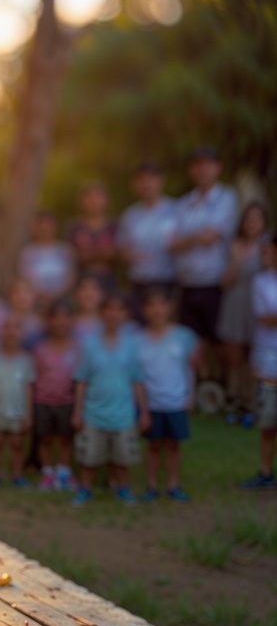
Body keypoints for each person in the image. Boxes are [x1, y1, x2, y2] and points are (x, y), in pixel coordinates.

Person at [72, 293, 149, 505]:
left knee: (122, 458)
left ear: (125, 314)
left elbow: (137, 381)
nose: (114, 314)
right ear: (102, 313)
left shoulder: (132, 344)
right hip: (94, 412)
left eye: (119, 310)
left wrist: (144, 412)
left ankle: (123, 489)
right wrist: (78, 412)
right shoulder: (89, 344)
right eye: (109, 309)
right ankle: (85, 489)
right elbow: (82, 380)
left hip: (123, 413)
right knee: (89, 457)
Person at [169, 146, 239, 345]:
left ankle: (220, 378)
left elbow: (211, 237)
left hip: (214, 284)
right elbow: (171, 244)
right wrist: (198, 236)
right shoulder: (183, 203)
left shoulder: (227, 198)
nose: (203, 170)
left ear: (218, 168)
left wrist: (187, 239)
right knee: (191, 344)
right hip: (186, 285)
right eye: (198, 165)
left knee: (219, 343)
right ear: (191, 170)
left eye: (208, 164)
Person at [136, 290, 199, 501]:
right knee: (153, 445)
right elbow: (137, 377)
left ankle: (173, 485)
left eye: (162, 304)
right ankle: (152, 486)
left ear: (169, 308)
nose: (157, 310)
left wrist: (191, 395)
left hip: (176, 400)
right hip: (151, 401)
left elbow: (190, 369)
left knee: (174, 445)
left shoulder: (184, 336)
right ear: (144, 310)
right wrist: (142, 407)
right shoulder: (138, 340)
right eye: (151, 305)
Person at [218, 201, 270, 425]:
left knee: (253, 357)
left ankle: (251, 404)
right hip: (235, 304)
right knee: (234, 358)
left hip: (258, 306)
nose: (252, 223)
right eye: (248, 218)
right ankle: (233, 402)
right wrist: (238, 259)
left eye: (257, 219)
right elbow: (224, 282)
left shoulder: (268, 247)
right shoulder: (233, 245)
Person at [118, 162, 179, 316]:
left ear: (161, 181)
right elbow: (122, 249)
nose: (147, 184)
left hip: (168, 281)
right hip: (139, 282)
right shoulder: (130, 215)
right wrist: (130, 257)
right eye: (142, 180)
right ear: (135, 184)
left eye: (151, 179)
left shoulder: (176, 210)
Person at [241, 237, 277, 490]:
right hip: (268, 360)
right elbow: (265, 318)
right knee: (268, 421)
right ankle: (265, 473)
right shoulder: (261, 281)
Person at [0, 315, 34, 487]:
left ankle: (17, 476)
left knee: (17, 444)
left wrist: (28, 414)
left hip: (17, 411)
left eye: (15, 328)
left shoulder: (26, 360)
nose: (10, 333)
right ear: (0, 333)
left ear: (21, 334)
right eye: (6, 328)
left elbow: (28, 389)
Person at [33, 300, 78, 491]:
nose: (60, 322)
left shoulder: (77, 348)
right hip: (43, 401)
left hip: (67, 401)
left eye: (65, 317)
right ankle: (48, 472)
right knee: (45, 439)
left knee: (66, 439)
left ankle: (64, 472)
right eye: (56, 317)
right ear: (48, 321)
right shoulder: (40, 349)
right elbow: (34, 377)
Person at [67, 180, 118, 289]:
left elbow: (117, 253)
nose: (94, 201)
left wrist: (89, 253)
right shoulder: (75, 227)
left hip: (108, 279)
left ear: (106, 200)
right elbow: (73, 256)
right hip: (82, 280)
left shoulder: (114, 226)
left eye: (98, 196)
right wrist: (102, 253)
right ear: (81, 201)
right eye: (89, 197)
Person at [19, 211, 77, 306]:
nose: (44, 228)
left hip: (62, 301)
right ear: (34, 227)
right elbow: (26, 276)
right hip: (36, 301)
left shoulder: (65, 250)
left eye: (48, 224)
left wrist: (56, 295)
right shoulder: (28, 252)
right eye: (40, 224)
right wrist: (42, 295)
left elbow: (71, 275)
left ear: (55, 227)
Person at [7, 279, 45, 350]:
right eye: (17, 292)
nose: (21, 296)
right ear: (10, 296)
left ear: (33, 295)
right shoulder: (4, 321)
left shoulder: (40, 323)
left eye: (26, 292)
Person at [72, 275, 104, 344]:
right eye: (84, 288)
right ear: (75, 294)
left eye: (94, 289)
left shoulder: (109, 323)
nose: (89, 294)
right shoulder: (67, 323)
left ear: (102, 294)